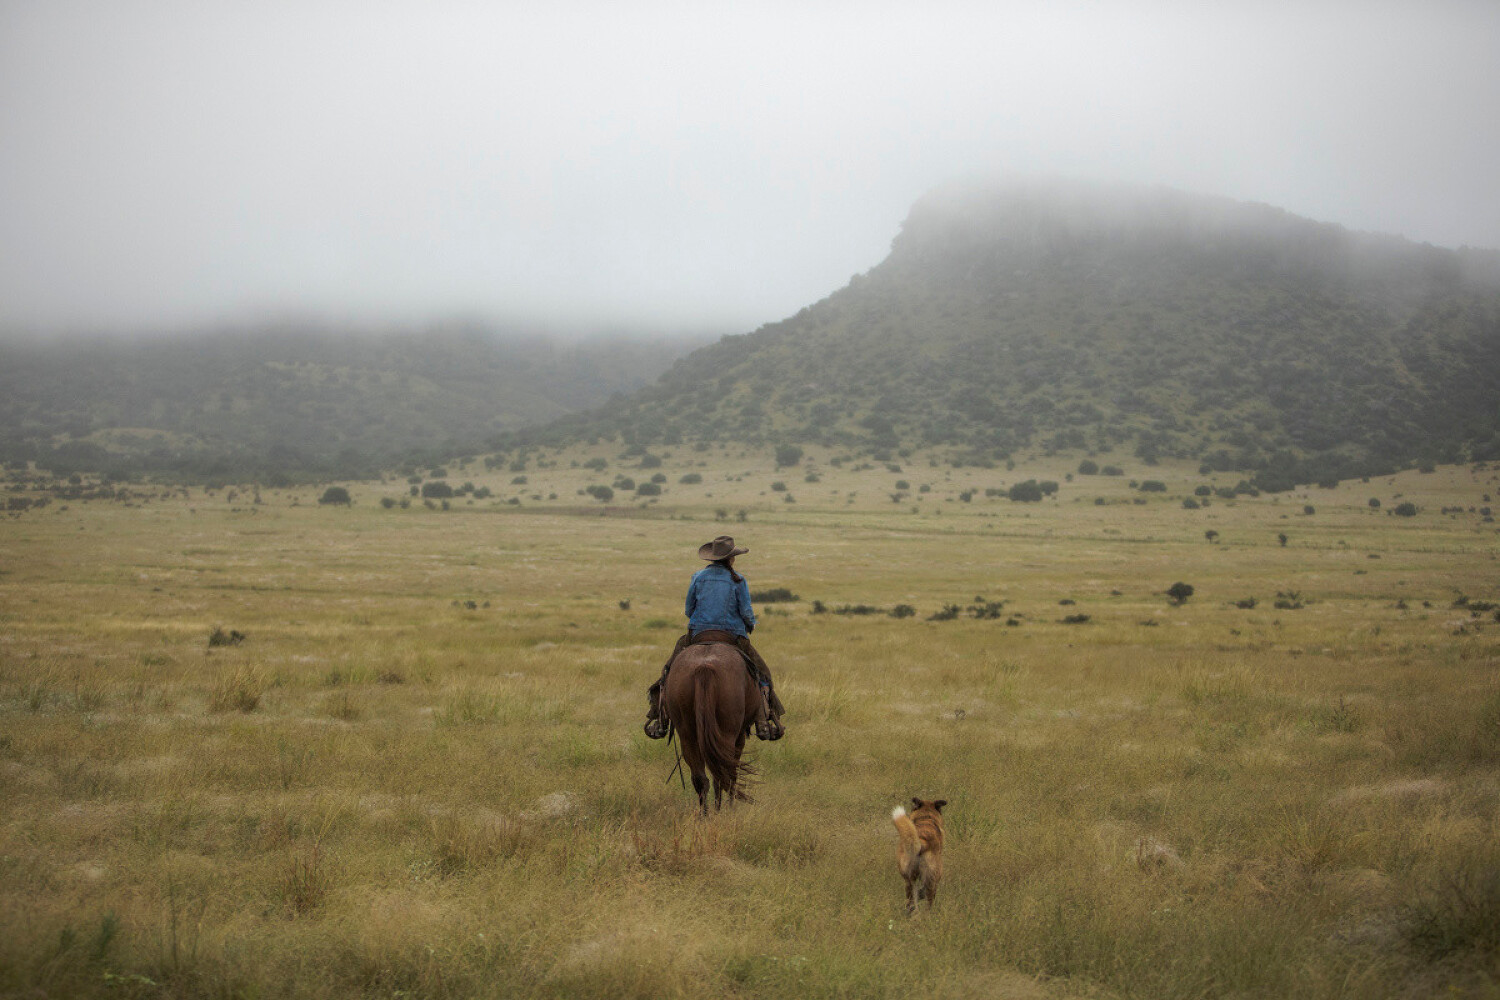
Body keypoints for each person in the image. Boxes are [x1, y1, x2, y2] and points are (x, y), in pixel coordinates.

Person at [643, 535, 786, 741]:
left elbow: (688, 610)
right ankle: (764, 720)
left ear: (712, 557)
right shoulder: (738, 580)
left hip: (698, 632)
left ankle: (660, 718)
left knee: (668, 670)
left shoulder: (697, 577)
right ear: (731, 558)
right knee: (762, 673)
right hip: (732, 635)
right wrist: (750, 624)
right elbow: (746, 612)